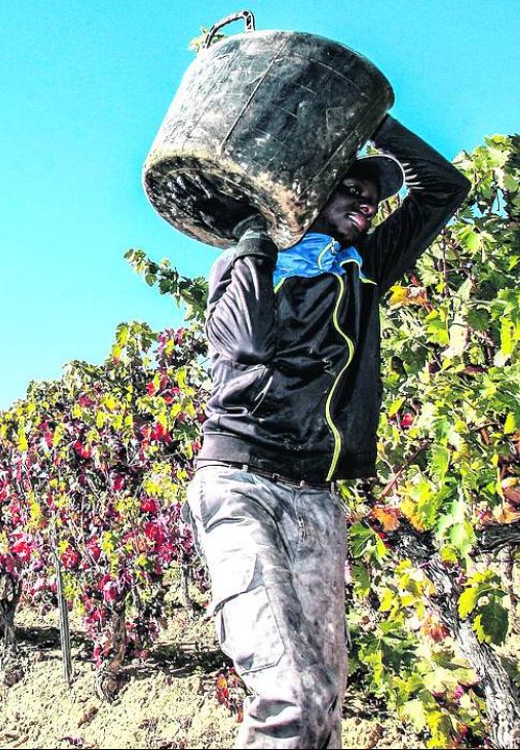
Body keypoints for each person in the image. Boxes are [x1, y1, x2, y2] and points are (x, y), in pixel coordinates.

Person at [186, 115, 470, 748]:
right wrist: (254, 238)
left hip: (316, 496)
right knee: (289, 691)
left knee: (324, 701)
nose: (369, 202)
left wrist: (369, 123)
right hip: (240, 484)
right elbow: (247, 344)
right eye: (350, 187)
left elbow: (444, 189)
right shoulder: (249, 260)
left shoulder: (362, 269)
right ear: (306, 190)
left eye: (374, 195)